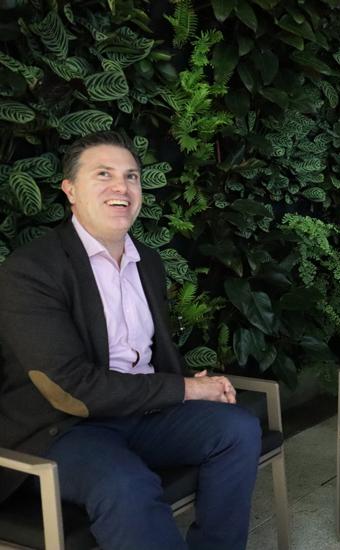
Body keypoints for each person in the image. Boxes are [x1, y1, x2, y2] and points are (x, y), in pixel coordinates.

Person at [0, 131, 262, 550]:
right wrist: (187, 388)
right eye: (103, 174)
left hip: (142, 413)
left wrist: (189, 386)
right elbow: (69, 386)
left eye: (132, 177)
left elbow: (149, 356)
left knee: (238, 429)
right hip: (63, 429)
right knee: (126, 485)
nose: (121, 187)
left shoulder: (147, 261)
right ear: (70, 190)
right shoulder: (32, 270)